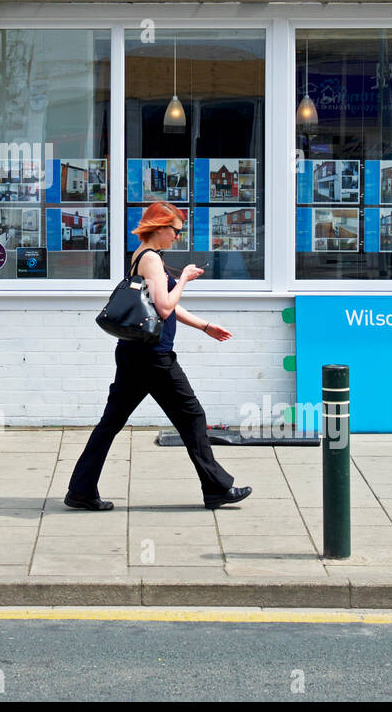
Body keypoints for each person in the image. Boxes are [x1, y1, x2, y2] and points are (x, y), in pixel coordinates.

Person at [65, 201, 252, 512]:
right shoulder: (150, 259)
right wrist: (184, 280)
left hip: (134, 354)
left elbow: (161, 304)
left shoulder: (143, 255)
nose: (177, 237)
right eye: (175, 231)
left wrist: (204, 326)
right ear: (161, 227)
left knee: (111, 422)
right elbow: (165, 308)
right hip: (153, 357)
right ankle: (217, 488)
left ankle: (81, 490)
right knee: (192, 417)